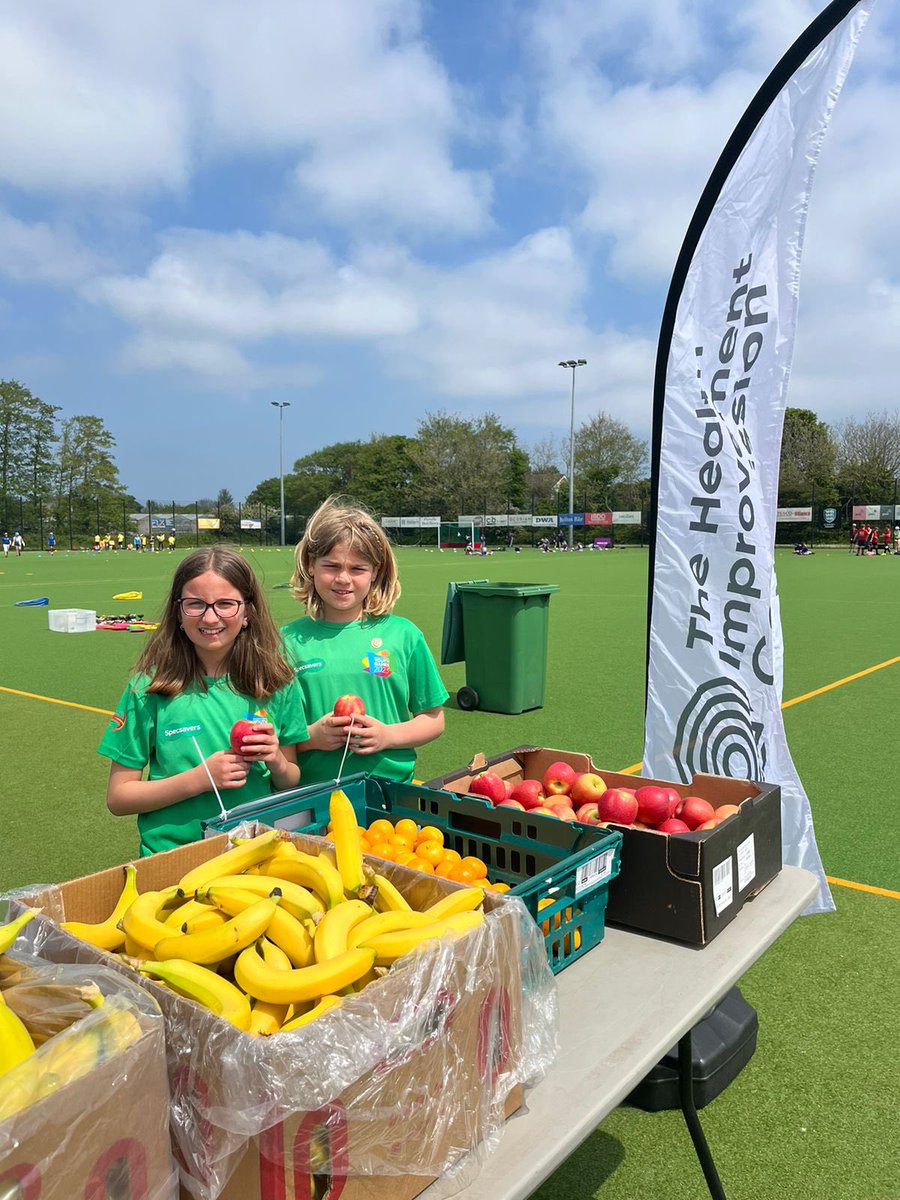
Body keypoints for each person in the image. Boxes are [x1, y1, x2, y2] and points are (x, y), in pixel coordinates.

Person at [98, 547, 308, 855]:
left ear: (247, 611)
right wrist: (199, 779)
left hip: (254, 851)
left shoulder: (276, 683)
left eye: (226, 604)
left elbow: (290, 781)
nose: (210, 617)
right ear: (178, 613)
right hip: (171, 855)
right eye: (196, 604)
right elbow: (119, 797)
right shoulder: (149, 688)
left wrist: (276, 759)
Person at [282, 496, 448, 788]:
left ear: (375, 572)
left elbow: (434, 720)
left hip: (393, 792)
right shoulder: (287, 642)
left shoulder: (404, 635)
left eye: (357, 569)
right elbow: (276, 737)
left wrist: (388, 736)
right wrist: (312, 738)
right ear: (311, 565)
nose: (343, 579)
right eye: (331, 566)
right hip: (312, 797)